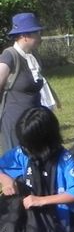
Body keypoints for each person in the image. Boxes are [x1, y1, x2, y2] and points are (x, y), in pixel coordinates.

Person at [0, 106, 74, 230]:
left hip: (58, 224)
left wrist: (41, 200)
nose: (25, 148)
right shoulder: (22, 153)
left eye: (28, 145)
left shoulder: (64, 160)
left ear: (43, 141)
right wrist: (6, 180)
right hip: (31, 225)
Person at [0, 13, 51, 154]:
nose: (40, 37)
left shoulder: (34, 57)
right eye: (37, 33)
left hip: (34, 122)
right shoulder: (9, 55)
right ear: (25, 36)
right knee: (18, 161)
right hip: (15, 123)